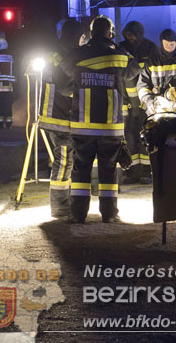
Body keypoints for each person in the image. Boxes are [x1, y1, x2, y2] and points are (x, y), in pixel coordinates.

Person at [60, 16, 138, 223]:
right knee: (108, 171)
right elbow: (135, 68)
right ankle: (110, 214)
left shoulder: (77, 55)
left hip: (82, 125)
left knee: (81, 171)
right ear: (110, 33)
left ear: (92, 33)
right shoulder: (120, 56)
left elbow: (65, 72)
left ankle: (78, 215)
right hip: (109, 126)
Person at [39, 19, 84, 219]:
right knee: (64, 158)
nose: (83, 41)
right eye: (82, 37)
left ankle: (63, 203)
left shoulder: (58, 51)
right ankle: (59, 206)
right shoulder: (62, 55)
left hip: (57, 114)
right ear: (76, 36)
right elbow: (66, 88)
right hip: (57, 115)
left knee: (66, 158)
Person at [119, 21, 158, 179]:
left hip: (145, 101)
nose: (129, 38)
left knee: (146, 134)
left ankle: (147, 171)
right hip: (126, 101)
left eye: (132, 35)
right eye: (127, 35)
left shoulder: (150, 48)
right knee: (128, 136)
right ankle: (132, 171)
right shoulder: (121, 47)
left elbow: (154, 72)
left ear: (139, 34)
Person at [137, 29, 176, 116]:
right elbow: (142, 86)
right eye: (166, 44)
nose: (169, 47)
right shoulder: (151, 62)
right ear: (161, 43)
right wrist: (149, 101)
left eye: (172, 44)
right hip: (156, 111)